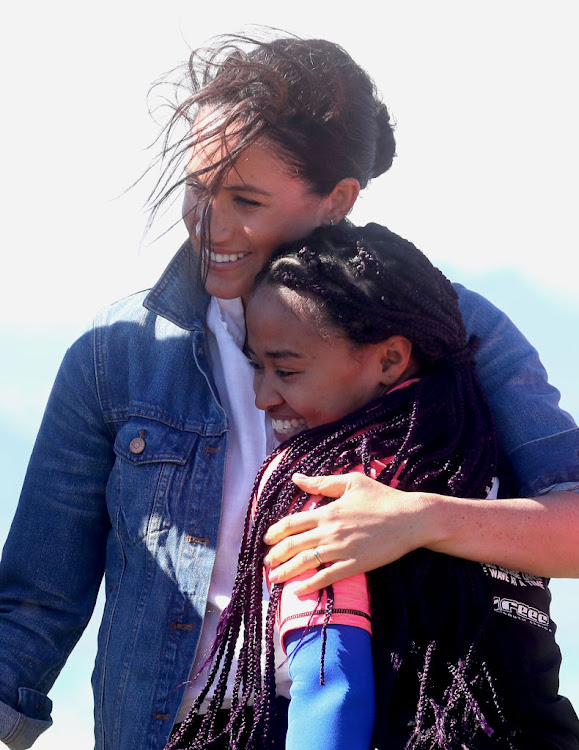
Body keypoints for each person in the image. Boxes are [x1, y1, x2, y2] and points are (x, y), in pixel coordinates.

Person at [0, 32, 577, 750]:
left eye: (244, 197)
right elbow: (34, 604)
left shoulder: (451, 329)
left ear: (337, 201)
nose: (206, 223)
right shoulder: (114, 359)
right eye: (196, 187)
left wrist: (416, 518)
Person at [167, 222, 579, 750]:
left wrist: (415, 520)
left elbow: (331, 689)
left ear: (388, 359)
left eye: (285, 371)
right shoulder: (482, 451)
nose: (262, 396)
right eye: (255, 367)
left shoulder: (327, 487)